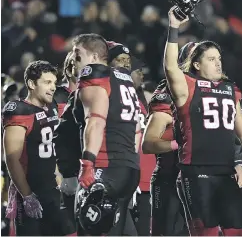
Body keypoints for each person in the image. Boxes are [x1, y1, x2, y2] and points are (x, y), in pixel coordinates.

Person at [163, 7, 242, 236]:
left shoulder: (230, 89)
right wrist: (173, 28)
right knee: (205, 233)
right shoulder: (188, 87)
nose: (218, 63)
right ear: (197, 65)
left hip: (226, 172)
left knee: (238, 232)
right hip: (196, 171)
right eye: (211, 59)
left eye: (219, 58)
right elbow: (170, 67)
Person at [143, 42, 242, 236]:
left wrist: (238, 161)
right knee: (164, 232)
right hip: (170, 174)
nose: (215, 64)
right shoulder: (170, 92)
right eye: (209, 59)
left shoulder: (221, 90)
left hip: (205, 174)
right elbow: (148, 143)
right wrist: (177, 143)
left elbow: (225, 130)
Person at [71, 33, 141, 235]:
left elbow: (96, 121)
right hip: (128, 168)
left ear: (93, 57)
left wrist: (88, 164)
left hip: (105, 166)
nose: (75, 61)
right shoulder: (124, 79)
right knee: (121, 230)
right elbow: (137, 129)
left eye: (78, 55)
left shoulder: (94, 74)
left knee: (88, 226)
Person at [2, 60, 75, 236]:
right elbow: (12, 158)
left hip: (53, 190)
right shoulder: (19, 110)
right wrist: (27, 196)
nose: (52, 88)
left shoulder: (53, 108)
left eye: (54, 83)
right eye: (47, 82)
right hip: (29, 190)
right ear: (32, 84)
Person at [107, 40, 154, 236]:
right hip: (124, 176)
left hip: (144, 181)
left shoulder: (142, 99)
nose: (139, 73)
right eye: (136, 70)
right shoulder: (110, 95)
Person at [53, 51, 80, 230]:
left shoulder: (98, 94)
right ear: (68, 69)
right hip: (64, 171)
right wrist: (59, 174)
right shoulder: (55, 95)